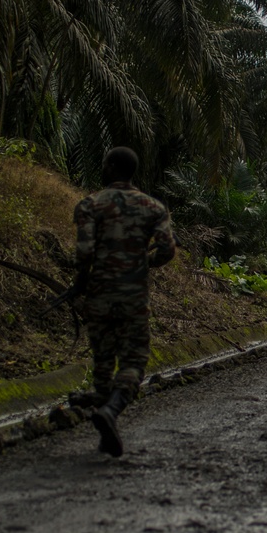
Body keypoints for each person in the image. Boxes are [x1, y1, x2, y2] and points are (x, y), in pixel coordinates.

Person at [73, 146, 176, 457]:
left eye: (105, 163)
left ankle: (106, 424)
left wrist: (81, 281)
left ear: (112, 166)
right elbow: (167, 249)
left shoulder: (90, 204)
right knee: (133, 361)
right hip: (133, 296)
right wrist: (143, 263)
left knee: (103, 362)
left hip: (99, 294)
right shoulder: (153, 207)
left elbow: (85, 251)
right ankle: (112, 412)